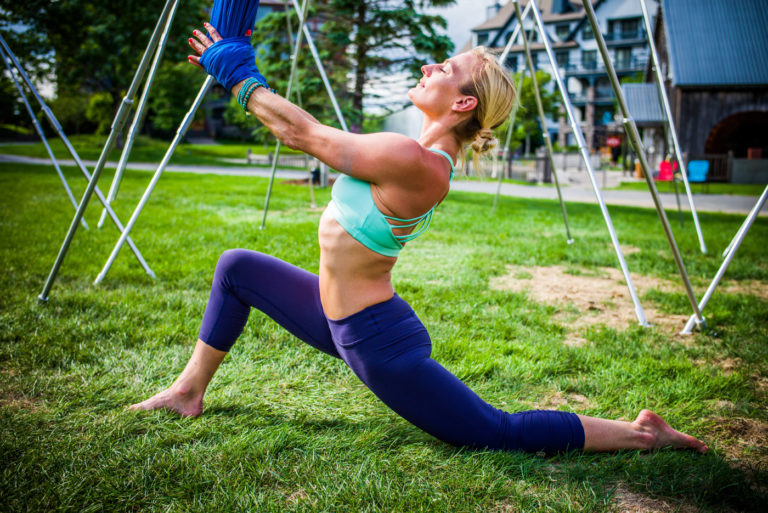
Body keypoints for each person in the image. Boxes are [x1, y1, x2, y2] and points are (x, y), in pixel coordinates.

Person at [131, 22, 708, 455]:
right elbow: (301, 130)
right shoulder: (420, 155)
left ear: (462, 104)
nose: (430, 68)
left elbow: (299, 132)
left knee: (493, 432)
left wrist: (237, 74)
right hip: (338, 315)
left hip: (376, 343)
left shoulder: (416, 161)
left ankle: (640, 436)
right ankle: (188, 391)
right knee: (237, 268)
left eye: (445, 69)